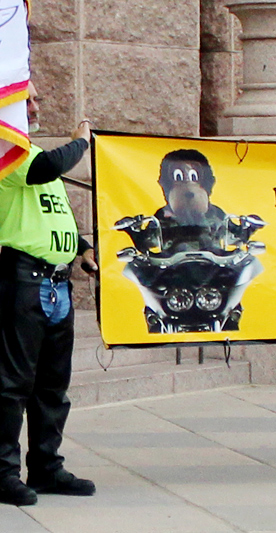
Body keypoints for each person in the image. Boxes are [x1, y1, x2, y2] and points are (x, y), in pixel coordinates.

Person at [0, 81, 98, 506]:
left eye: (36, 96)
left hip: (56, 282)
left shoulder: (35, 158)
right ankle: (3, 473)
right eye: (27, 97)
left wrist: (82, 248)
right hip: (21, 280)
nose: (36, 104)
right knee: (12, 384)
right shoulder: (10, 152)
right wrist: (80, 142)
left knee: (52, 385)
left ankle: (45, 467)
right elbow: (47, 169)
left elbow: (52, 218)